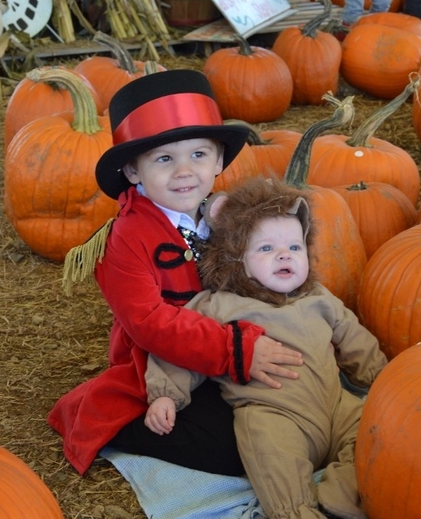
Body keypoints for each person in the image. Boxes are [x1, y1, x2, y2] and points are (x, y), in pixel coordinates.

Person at [47, 70, 303, 477]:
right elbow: (150, 324)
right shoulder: (124, 240)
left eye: (198, 155)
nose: (185, 171)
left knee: (292, 414)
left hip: (233, 345)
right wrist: (236, 352)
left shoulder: (227, 216)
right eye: (165, 158)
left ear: (219, 159)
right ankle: (123, 428)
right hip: (160, 364)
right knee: (234, 449)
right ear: (133, 171)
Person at [144, 177, 388, 519]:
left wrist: (382, 378)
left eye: (294, 246)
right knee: (270, 452)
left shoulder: (319, 299)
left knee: (371, 424)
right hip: (274, 411)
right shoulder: (220, 305)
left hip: (333, 404)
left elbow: (354, 338)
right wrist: (165, 396)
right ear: (235, 256)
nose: (285, 255)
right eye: (267, 248)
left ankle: (347, 486)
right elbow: (181, 348)